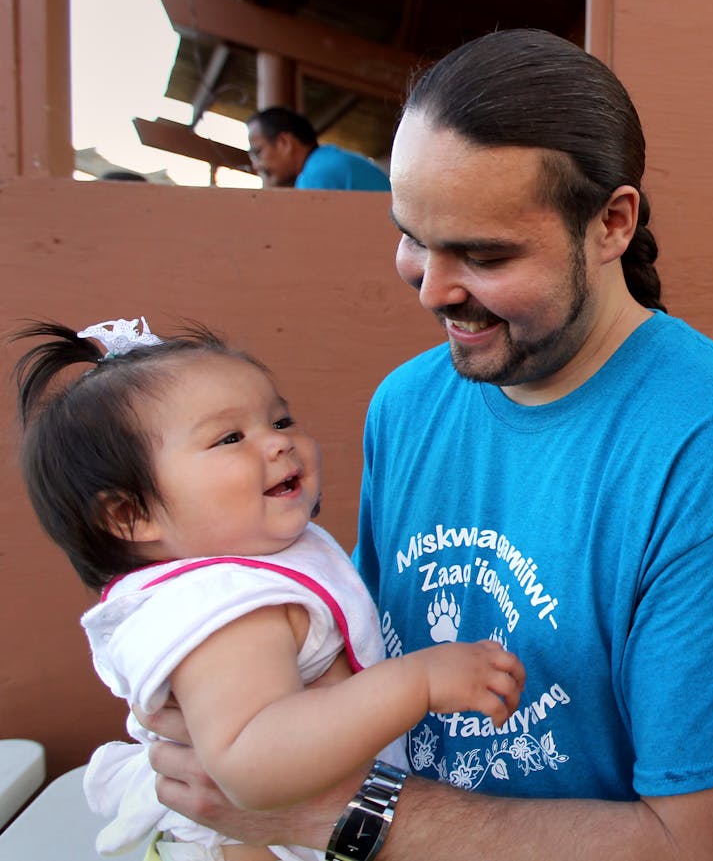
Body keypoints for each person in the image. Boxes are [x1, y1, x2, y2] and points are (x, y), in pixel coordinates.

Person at [149, 28, 713, 861]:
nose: (433, 289)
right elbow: (352, 665)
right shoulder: (406, 403)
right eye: (413, 237)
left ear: (611, 222)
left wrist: (335, 814)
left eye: (483, 253)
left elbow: (700, 848)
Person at [12, 316, 525, 861]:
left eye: (280, 419)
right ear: (131, 515)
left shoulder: (253, 564)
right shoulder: (223, 609)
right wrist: (417, 682)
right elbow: (253, 765)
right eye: (230, 437)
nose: (279, 442)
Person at [245, 107, 391, 191]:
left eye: (258, 153)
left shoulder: (316, 175)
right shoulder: (328, 161)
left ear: (284, 143)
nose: (256, 166)